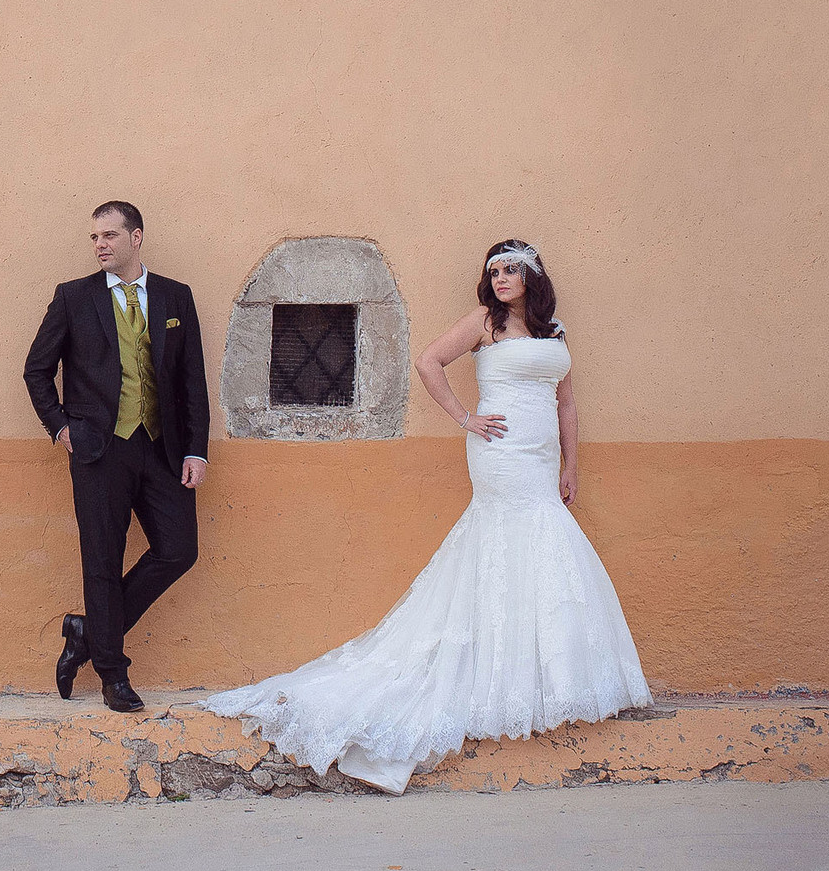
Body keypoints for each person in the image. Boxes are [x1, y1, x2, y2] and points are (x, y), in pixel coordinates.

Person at [199, 240, 650, 792]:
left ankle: (537, 679)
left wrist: (570, 465)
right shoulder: (485, 322)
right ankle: (496, 676)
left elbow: (566, 403)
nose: (501, 278)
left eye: (511, 270)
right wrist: (466, 418)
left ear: (533, 278)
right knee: (508, 539)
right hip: (500, 453)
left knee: (544, 541)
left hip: (542, 457)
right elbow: (428, 361)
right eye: (494, 271)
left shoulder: (554, 331)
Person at [22, 201, 211, 713]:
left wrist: (196, 449)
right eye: (94, 237)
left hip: (163, 449)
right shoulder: (74, 297)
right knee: (102, 560)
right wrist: (61, 428)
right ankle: (113, 673)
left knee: (178, 549)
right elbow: (36, 370)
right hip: (99, 451)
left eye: (109, 235)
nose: (100, 245)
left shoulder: (174, 296)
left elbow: (191, 379)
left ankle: (88, 632)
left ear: (136, 237)